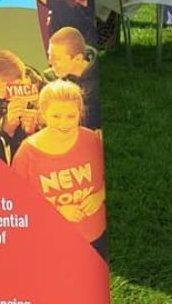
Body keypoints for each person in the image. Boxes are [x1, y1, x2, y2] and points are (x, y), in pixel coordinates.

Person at [12, 80, 106, 256]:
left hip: (95, 234)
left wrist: (100, 195)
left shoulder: (92, 141)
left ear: (80, 113)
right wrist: (58, 211)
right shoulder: (27, 153)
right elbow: (19, 201)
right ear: (43, 114)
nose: (64, 123)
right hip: (51, 239)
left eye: (71, 116)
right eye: (56, 116)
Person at [44, 26, 102, 130]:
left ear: (78, 59)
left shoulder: (97, 87)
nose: (50, 63)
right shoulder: (54, 78)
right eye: (50, 56)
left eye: (56, 58)